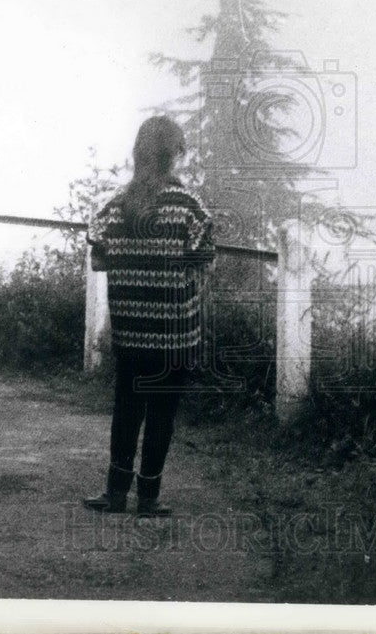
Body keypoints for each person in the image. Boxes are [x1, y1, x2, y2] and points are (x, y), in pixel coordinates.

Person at [82, 116, 215, 516]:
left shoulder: (115, 207)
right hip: (175, 335)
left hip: (130, 330)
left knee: (126, 410)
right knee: (162, 415)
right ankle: (149, 498)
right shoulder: (189, 209)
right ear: (175, 155)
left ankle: (115, 493)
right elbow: (205, 261)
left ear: (139, 154)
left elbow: (99, 260)